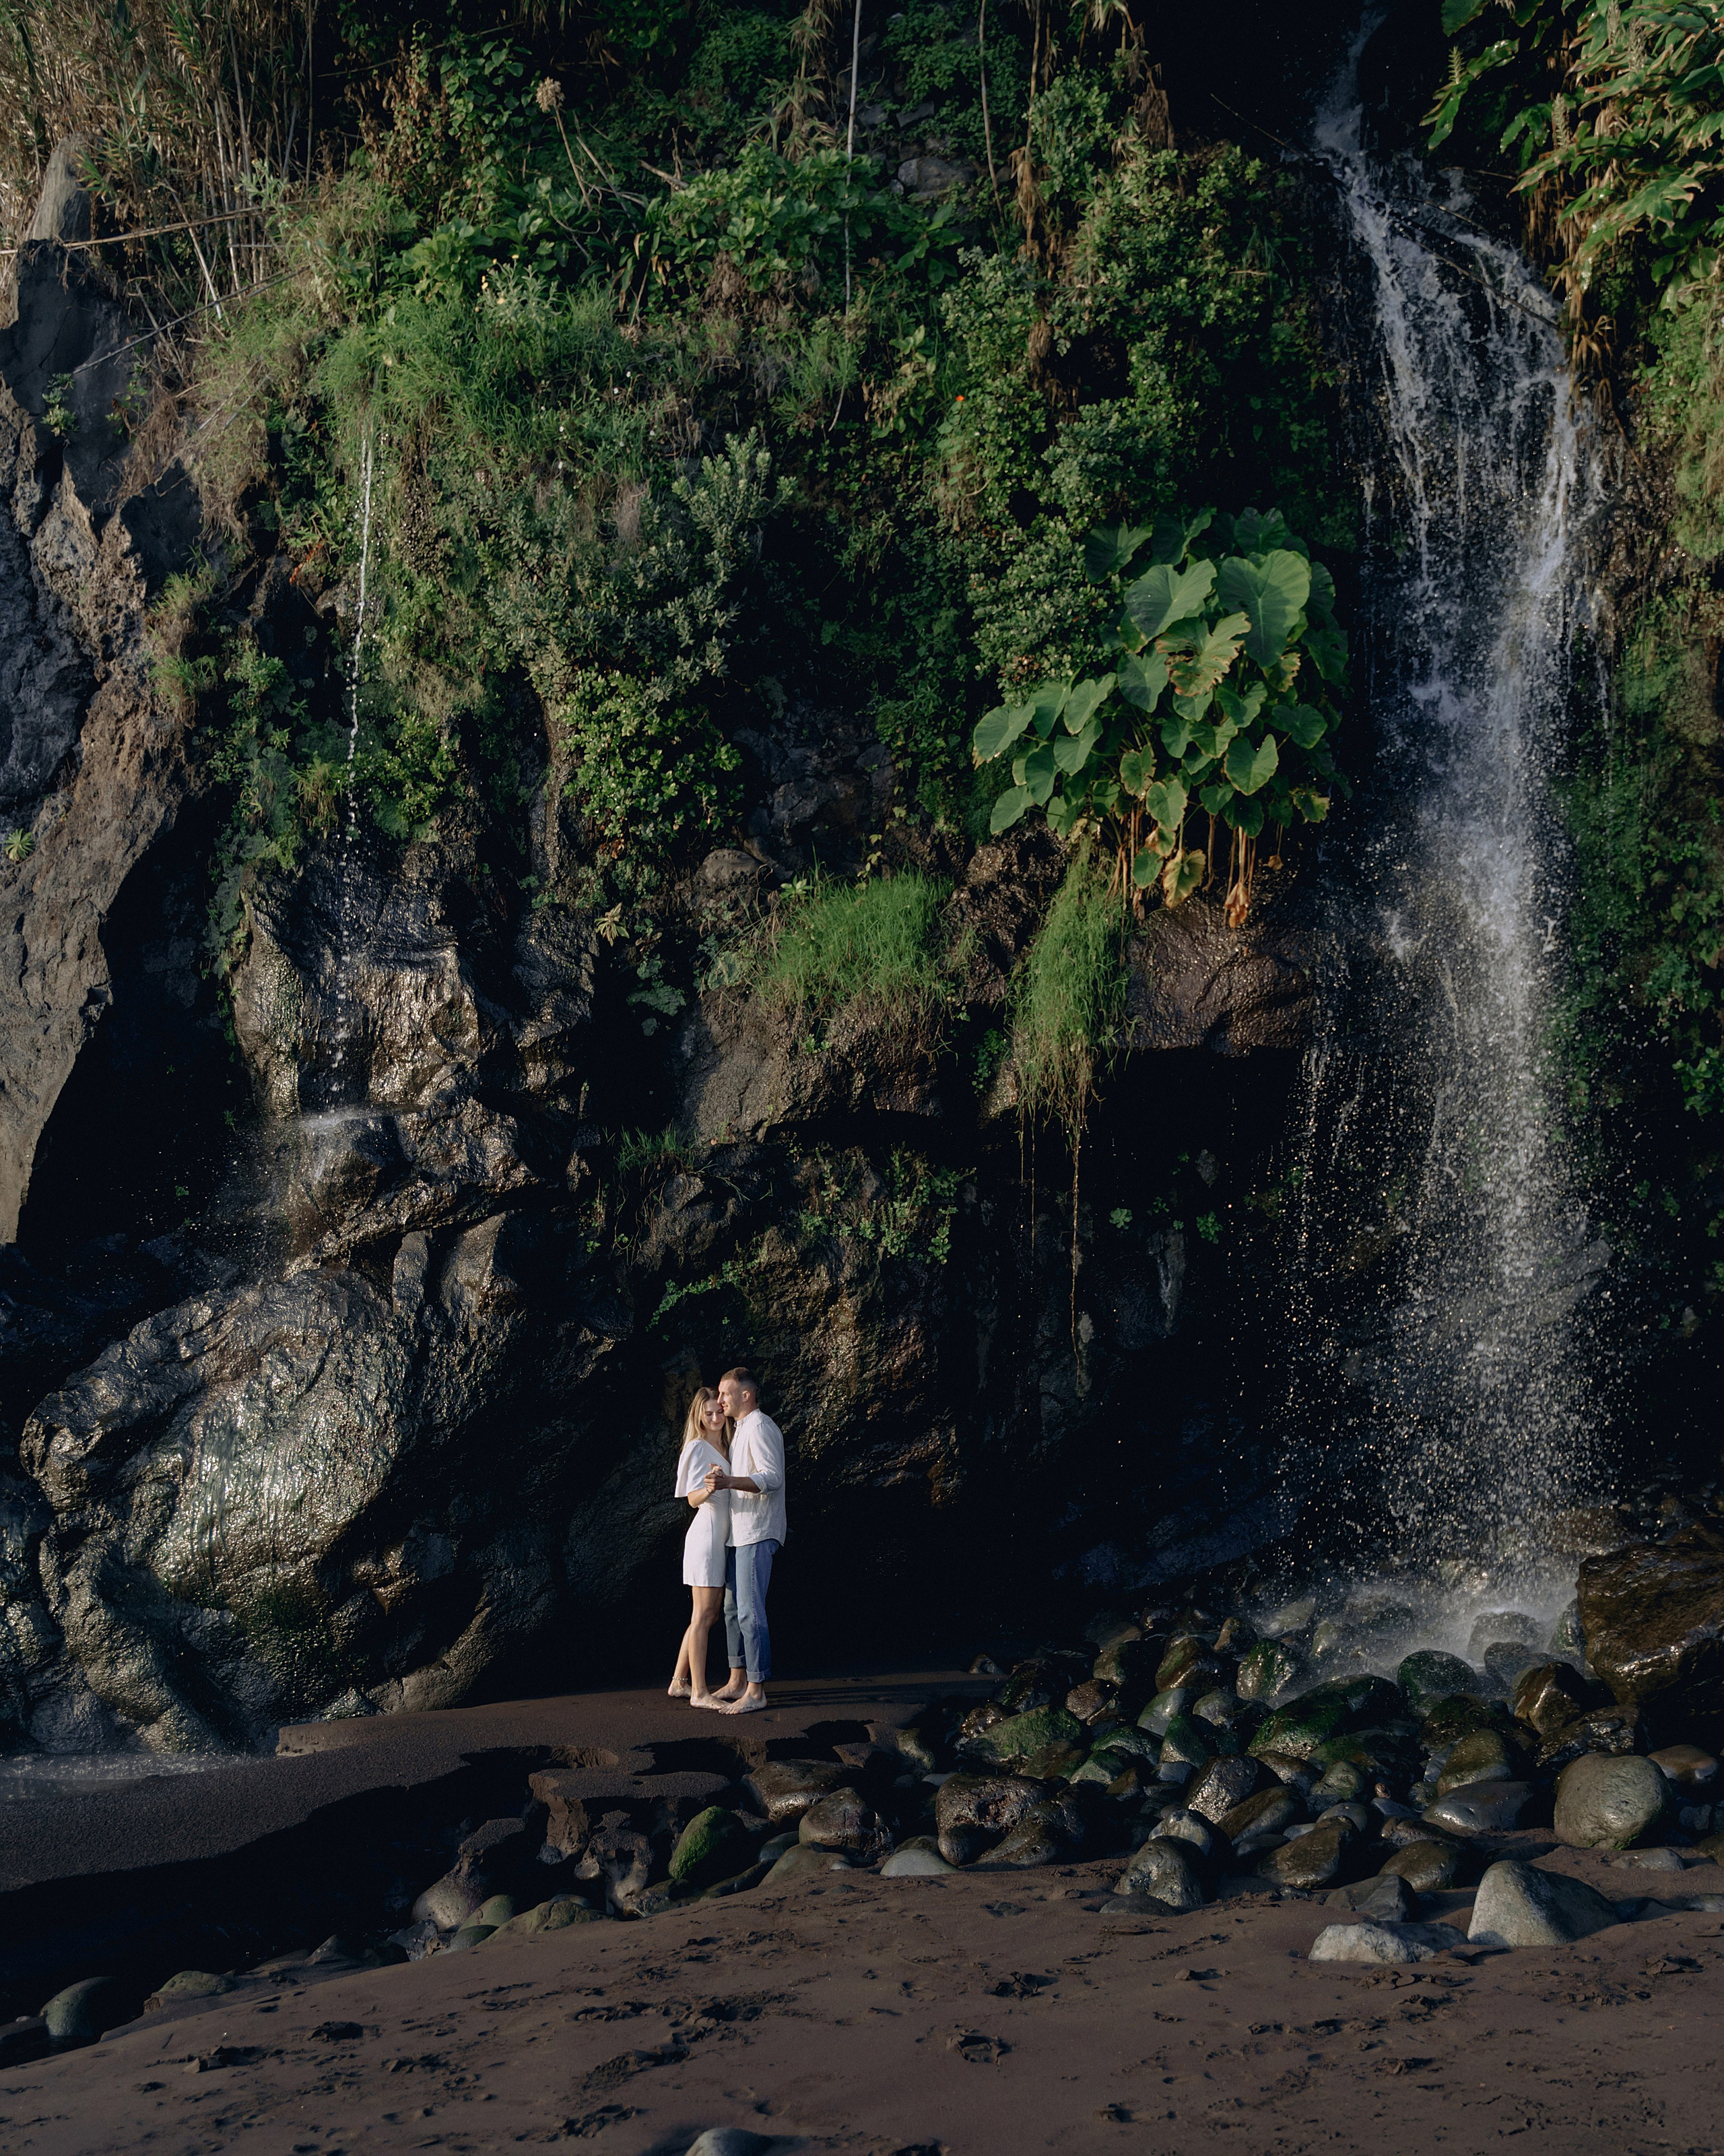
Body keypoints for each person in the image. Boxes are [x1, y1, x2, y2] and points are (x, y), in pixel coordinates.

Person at [702, 1365, 785, 1715]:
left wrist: (729, 1482)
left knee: (751, 1612)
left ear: (746, 1395)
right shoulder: (740, 1431)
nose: (720, 1401)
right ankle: (737, 1681)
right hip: (740, 1532)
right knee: (732, 1609)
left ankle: (757, 1689)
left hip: (758, 1531)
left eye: (725, 1393)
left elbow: (772, 1478)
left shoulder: (761, 1426)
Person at [668, 1385, 731, 1707]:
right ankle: (699, 1693)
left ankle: (679, 1683)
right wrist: (708, 1488)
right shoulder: (696, 1447)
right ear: (699, 1416)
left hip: (721, 1538)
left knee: (706, 1616)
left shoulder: (727, 1444)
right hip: (705, 1536)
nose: (716, 1418)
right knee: (704, 1616)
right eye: (708, 1414)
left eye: (719, 1411)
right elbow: (691, 1499)